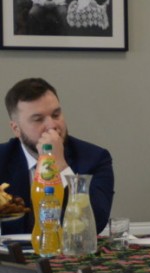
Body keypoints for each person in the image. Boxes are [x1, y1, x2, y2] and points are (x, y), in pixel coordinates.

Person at [0, 78, 114, 235]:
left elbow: (96, 222)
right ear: (16, 129)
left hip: (66, 249)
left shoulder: (94, 158)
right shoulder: (3, 157)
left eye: (56, 114)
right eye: (38, 119)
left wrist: (60, 165)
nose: (52, 125)